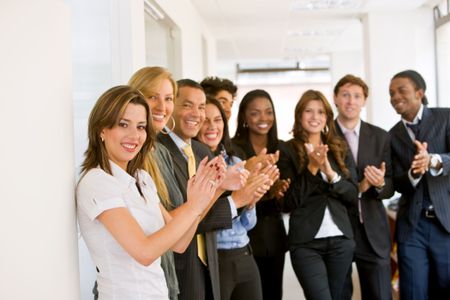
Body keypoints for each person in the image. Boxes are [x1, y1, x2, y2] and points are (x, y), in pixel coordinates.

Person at [76, 85, 224, 299]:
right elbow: (144, 252)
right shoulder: (97, 182)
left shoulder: (141, 179)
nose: (134, 136)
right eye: (123, 124)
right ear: (102, 129)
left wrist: (199, 201)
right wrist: (192, 208)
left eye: (141, 127)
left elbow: (179, 243)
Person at [157, 79, 254, 300]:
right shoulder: (158, 151)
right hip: (177, 268)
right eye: (187, 105)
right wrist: (231, 197)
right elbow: (174, 219)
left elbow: (205, 207)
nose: (196, 114)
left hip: (208, 265)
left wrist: (242, 194)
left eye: (201, 107)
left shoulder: (202, 151)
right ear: (171, 107)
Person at [278, 89, 357, 300]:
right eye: (308, 111)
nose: (315, 117)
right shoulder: (286, 150)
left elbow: (352, 194)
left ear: (327, 117)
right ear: (299, 115)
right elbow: (288, 202)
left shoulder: (340, 147)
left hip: (341, 240)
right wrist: (312, 168)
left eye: (321, 112)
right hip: (306, 244)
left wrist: (330, 174)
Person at [196, 98, 278, 300]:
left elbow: (248, 224)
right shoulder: (195, 165)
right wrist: (236, 198)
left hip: (243, 253)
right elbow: (201, 217)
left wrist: (251, 202)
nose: (212, 126)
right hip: (216, 257)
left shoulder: (235, 161)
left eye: (218, 120)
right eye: (206, 120)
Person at [388, 70, 450, 299]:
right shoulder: (391, 136)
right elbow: (394, 182)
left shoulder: (446, 118)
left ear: (419, 93)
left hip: (446, 224)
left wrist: (433, 160)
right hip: (412, 227)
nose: (395, 97)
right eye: (391, 93)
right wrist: (413, 172)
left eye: (401, 90)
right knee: (414, 292)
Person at [333, 74, 394, 300]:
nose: (351, 101)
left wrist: (379, 184)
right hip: (338, 229)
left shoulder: (380, 136)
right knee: (339, 294)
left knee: (380, 294)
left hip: (374, 232)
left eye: (357, 96)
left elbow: (390, 187)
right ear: (336, 99)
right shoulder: (325, 135)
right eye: (346, 95)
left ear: (364, 101)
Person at [128, 66, 184, 299]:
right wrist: (209, 193)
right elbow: (167, 227)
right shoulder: (129, 154)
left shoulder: (161, 151)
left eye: (169, 99)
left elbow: (177, 239)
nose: (163, 107)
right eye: (153, 97)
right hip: (134, 285)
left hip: (162, 280)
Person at [232, 89, 290, 300]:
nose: (263, 118)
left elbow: (290, 201)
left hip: (273, 238)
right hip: (243, 239)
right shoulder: (233, 149)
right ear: (244, 117)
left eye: (268, 112)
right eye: (255, 113)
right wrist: (263, 190)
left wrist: (279, 191)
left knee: (274, 293)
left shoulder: (282, 148)